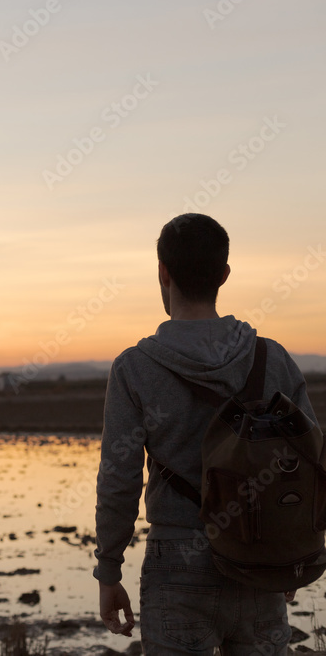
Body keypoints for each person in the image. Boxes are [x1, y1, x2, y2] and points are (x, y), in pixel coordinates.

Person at [93, 213, 319, 654]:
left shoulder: (135, 368)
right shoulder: (273, 359)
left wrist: (108, 571)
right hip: (261, 554)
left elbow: (119, 480)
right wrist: (294, 548)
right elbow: (312, 462)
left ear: (163, 272)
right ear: (224, 275)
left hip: (176, 562)